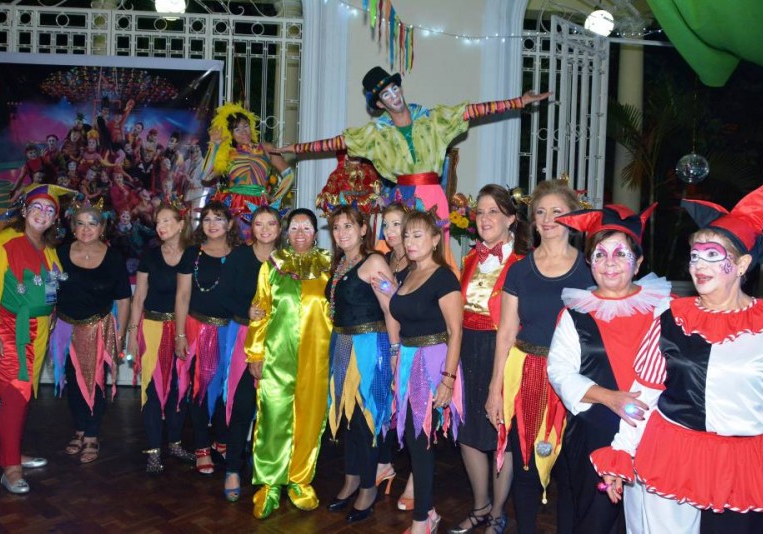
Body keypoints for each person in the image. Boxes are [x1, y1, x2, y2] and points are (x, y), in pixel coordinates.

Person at [592, 186, 763, 534]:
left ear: (743, 263)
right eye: (695, 255)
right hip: (672, 455)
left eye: (712, 255)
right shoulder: (671, 318)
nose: (699, 265)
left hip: (742, 465)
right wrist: (621, 453)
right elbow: (642, 396)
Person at [280, 66, 549, 253]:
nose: (394, 95)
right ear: (381, 104)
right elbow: (336, 143)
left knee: (433, 250)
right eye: (386, 94)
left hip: (433, 195)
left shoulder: (432, 119)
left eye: (395, 88)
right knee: (398, 247)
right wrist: (297, 148)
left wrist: (518, 102)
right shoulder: (377, 134)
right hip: (401, 196)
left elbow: (472, 111)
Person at [547, 204, 669, 533]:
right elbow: (559, 371)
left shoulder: (663, 309)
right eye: (600, 254)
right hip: (594, 431)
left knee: (647, 520)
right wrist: (609, 397)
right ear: (589, 262)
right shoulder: (575, 313)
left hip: (654, 433)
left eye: (620, 253)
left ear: (639, 261)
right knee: (596, 520)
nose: (610, 263)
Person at [484, 179, 594, 534]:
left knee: (568, 473)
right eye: (541, 213)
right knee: (527, 467)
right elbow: (505, 333)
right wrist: (495, 388)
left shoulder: (592, 271)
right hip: (526, 375)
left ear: (573, 217)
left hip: (573, 382)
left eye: (557, 212)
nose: (547, 219)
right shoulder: (519, 270)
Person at [0, 184, 71, 493]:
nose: (43, 214)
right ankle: (10, 468)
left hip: (37, 332)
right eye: (37, 207)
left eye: (50, 210)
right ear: (25, 210)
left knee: (23, 395)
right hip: (5, 330)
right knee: (15, 393)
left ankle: (12, 451)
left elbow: (50, 287)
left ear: (55, 218)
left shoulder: (49, 249)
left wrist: (52, 314)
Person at [449, 185, 531, 534]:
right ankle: (480, 505)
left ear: (511, 219)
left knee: (501, 433)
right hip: (468, 349)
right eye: (480, 212)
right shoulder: (469, 259)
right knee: (467, 432)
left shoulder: (523, 264)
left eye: (493, 212)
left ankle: (498, 512)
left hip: (503, 353)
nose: (485, 218)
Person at [245, 208, 332, 519]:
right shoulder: (271, 266)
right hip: (277, 357)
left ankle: (299, 480)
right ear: (287, 232)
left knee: (310, 419)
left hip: (317, 358)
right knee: (272, 417)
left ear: (315, 233)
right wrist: (255, 352)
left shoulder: (329, 266)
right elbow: (260, 308)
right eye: (294, 228)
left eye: (306, 228)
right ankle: (269, 484)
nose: (299, 234)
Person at [387, 209, 464, 534]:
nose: (410, 241)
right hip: (407, 360)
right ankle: (425, 512)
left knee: (421, 441)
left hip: (431, 363)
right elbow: (397, 315)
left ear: (435, 240)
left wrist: (448, 379)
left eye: (418, 235)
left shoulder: (444, 277)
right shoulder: (405, 276)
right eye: (407, 235)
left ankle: (424, 517)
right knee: (415, 439)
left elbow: (455, 331)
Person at [325, 205, 399, 523]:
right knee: (348, 417)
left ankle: (368, 486)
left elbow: (392, 308)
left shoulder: (374, 262)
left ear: (364, 229)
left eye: (348, 226)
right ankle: (352, 478)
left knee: (366, 419)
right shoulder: (342, 263)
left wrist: (395, 352)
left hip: (370, 347)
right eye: (337, 227)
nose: (342, 233)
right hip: (342, 344)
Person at [50, 201, 131, 465]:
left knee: (95, 381)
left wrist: (121, 335)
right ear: (73, 226)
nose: (86, 229)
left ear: (102, 227)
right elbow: (50, 291)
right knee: (73, 382)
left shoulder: (114, 258)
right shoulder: (59, 253)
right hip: (65, 328)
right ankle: (80, 429)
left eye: (92, 223)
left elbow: (123, 299)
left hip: (98, 328)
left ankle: (93, 434)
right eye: (81, 223)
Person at [127, 201, 195, 475]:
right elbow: (139, 297)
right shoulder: (151, 256)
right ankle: (154, 450)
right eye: (158, 222)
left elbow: (188, 296)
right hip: (153, 328)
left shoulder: (193, 254)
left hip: (183, 329)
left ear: (181, 224)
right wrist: (133, 334)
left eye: (167, 221)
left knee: (180, 389)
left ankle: (176, 443)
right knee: (152, 391)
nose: (161, 226)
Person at [174, 200, 242, 475]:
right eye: (207, 219)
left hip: (232, 331)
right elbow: (182, 296)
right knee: (200, 389)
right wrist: (179, 334)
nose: (212, 224)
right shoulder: (192, 254)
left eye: (219, 218)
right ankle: (202, 446)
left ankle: (221, 439)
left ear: (230, 224)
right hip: (198, 328)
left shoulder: (240, 255)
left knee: (229, 389)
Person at [221, 204, 282, 502]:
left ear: (279, 229)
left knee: (273, 409)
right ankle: (233, 468)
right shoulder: (239, 257)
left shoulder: (287, 261)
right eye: (260, 223)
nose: (266, 229)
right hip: (245, 338)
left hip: (279, 343)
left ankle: (267, 469)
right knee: (242, 403)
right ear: (251, 228)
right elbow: (225, 295)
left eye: (272, 223)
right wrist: (244, 309)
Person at [375, 202, 415, 511]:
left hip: (415, 347)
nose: (390, 231)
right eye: (386, 225)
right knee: (386, 407)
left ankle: (416, 478)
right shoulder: (385, 259)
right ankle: (384, 463)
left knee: (415, 412)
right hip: (386, 343)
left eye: (396, 224)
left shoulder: (419, 262)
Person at [207, 103, 293, 226]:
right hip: (233, 205)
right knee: (234, 243)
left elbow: (288, 174)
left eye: (245, 126)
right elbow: (206, 177)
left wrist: (276, 197)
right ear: (230, 134)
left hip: (260, 204)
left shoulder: (266, 148)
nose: (243, 132)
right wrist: (213, 146)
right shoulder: (228, 154)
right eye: (237, 129)